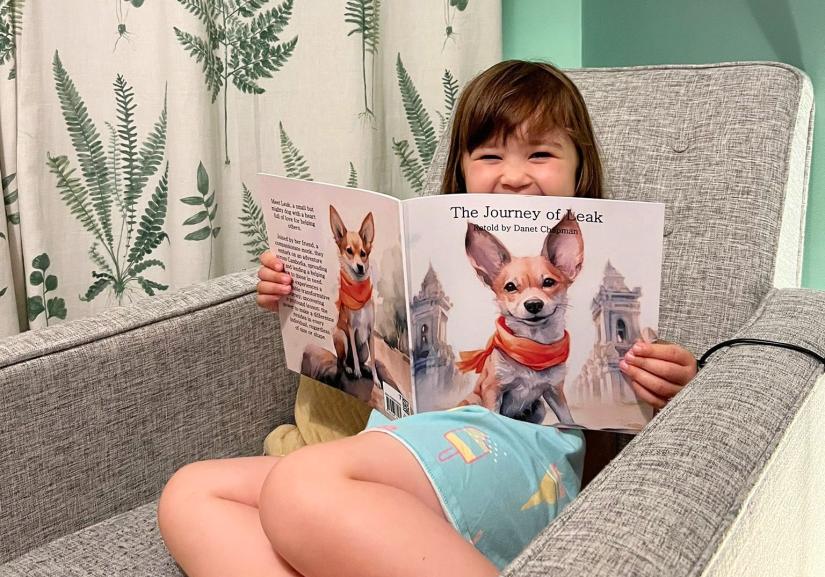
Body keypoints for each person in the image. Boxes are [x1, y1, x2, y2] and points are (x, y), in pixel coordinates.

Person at [158, 60, 698, 577]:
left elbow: (629, 404)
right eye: (489, 157)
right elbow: (354, 347)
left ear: (580, 173)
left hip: (514, 457)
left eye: (540, 154)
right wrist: (298, 290)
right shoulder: (433, 263)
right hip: (401, 445)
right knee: (190, 493)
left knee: (298, 486)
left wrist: (672, 386)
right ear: (461, 170)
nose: (513, 177)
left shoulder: (603, 284)